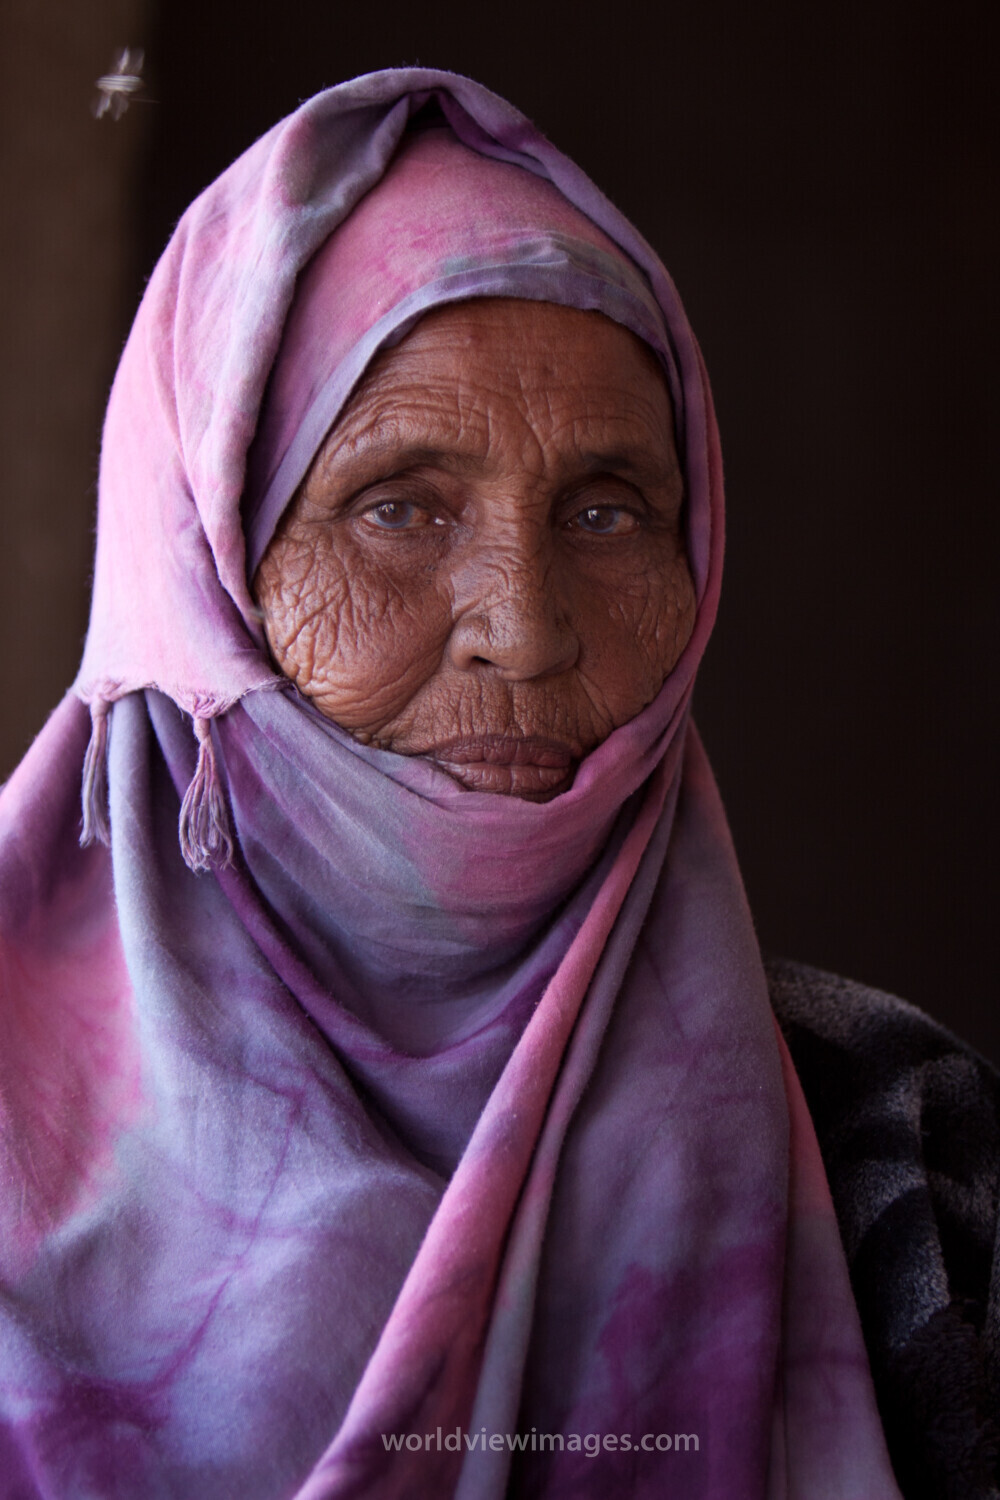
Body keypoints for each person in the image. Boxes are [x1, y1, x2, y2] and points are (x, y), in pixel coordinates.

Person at [0, 68, 995, 1500]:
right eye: (396, 506)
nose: (524, 628)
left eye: (607, 512)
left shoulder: (904, 1149)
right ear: (198, 575)